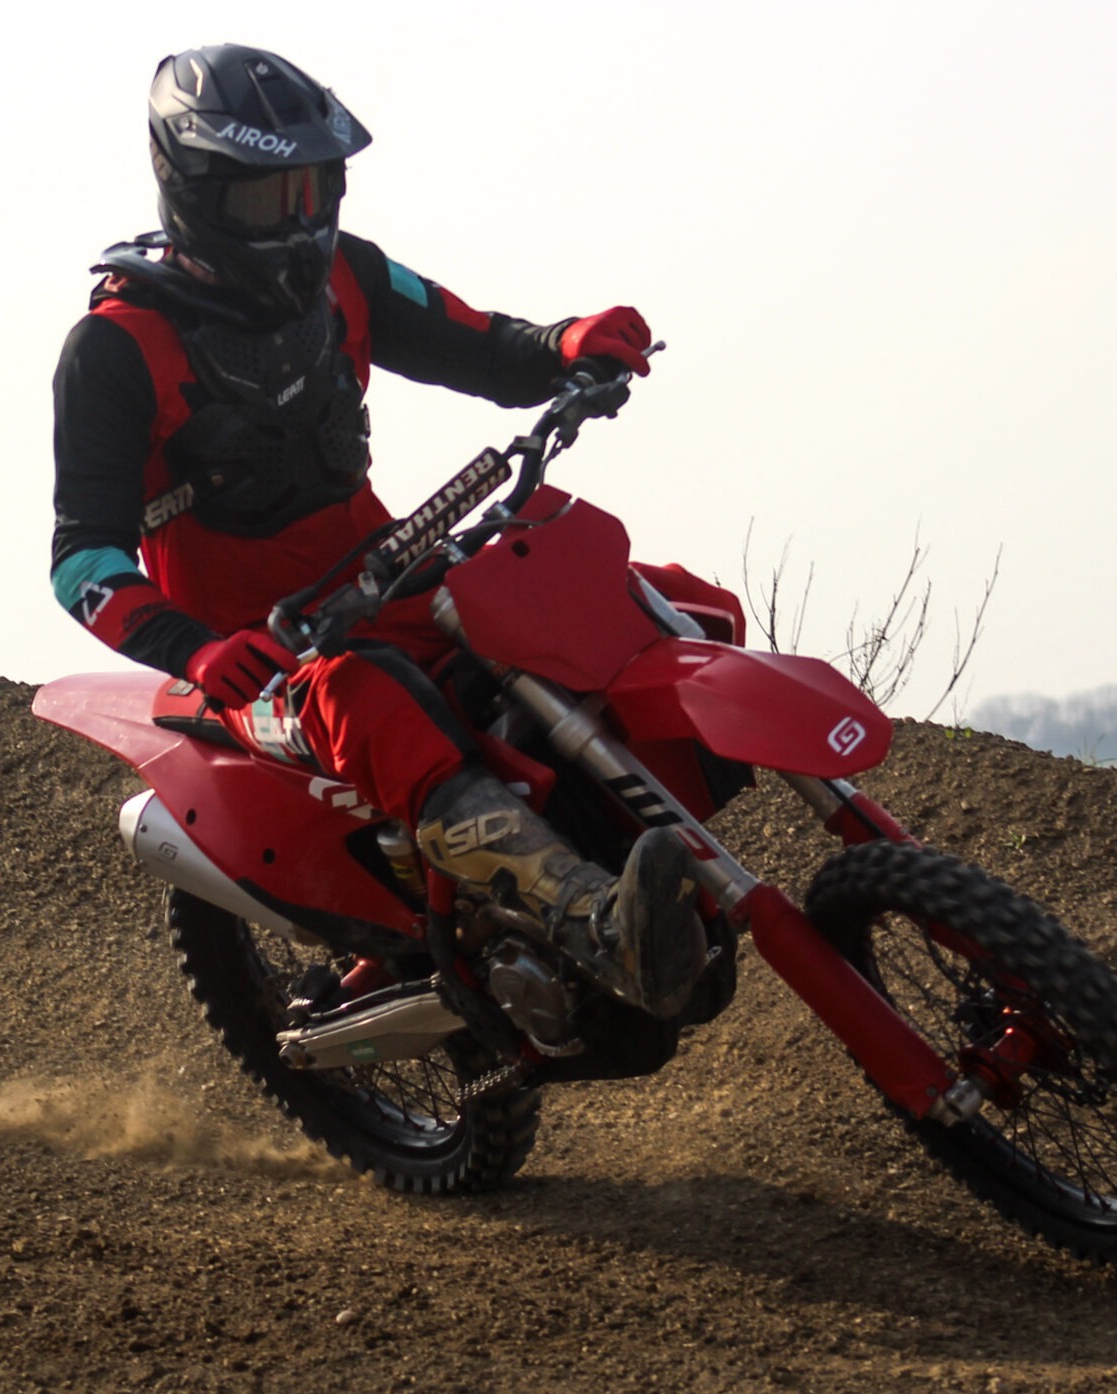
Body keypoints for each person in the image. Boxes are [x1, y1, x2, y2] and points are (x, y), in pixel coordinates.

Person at [48, 43, 703, 1016]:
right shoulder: (113, 348)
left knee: (612, 589)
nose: (300, 220)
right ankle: (595, 921)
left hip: (387, 580)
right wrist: (196, 650)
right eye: (272, 197)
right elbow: (82, 561)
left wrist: (565, 341)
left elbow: (483, 346)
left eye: (315, 189)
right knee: (371, 702)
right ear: (195, 192)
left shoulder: (345, 274)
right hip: (262, 660)